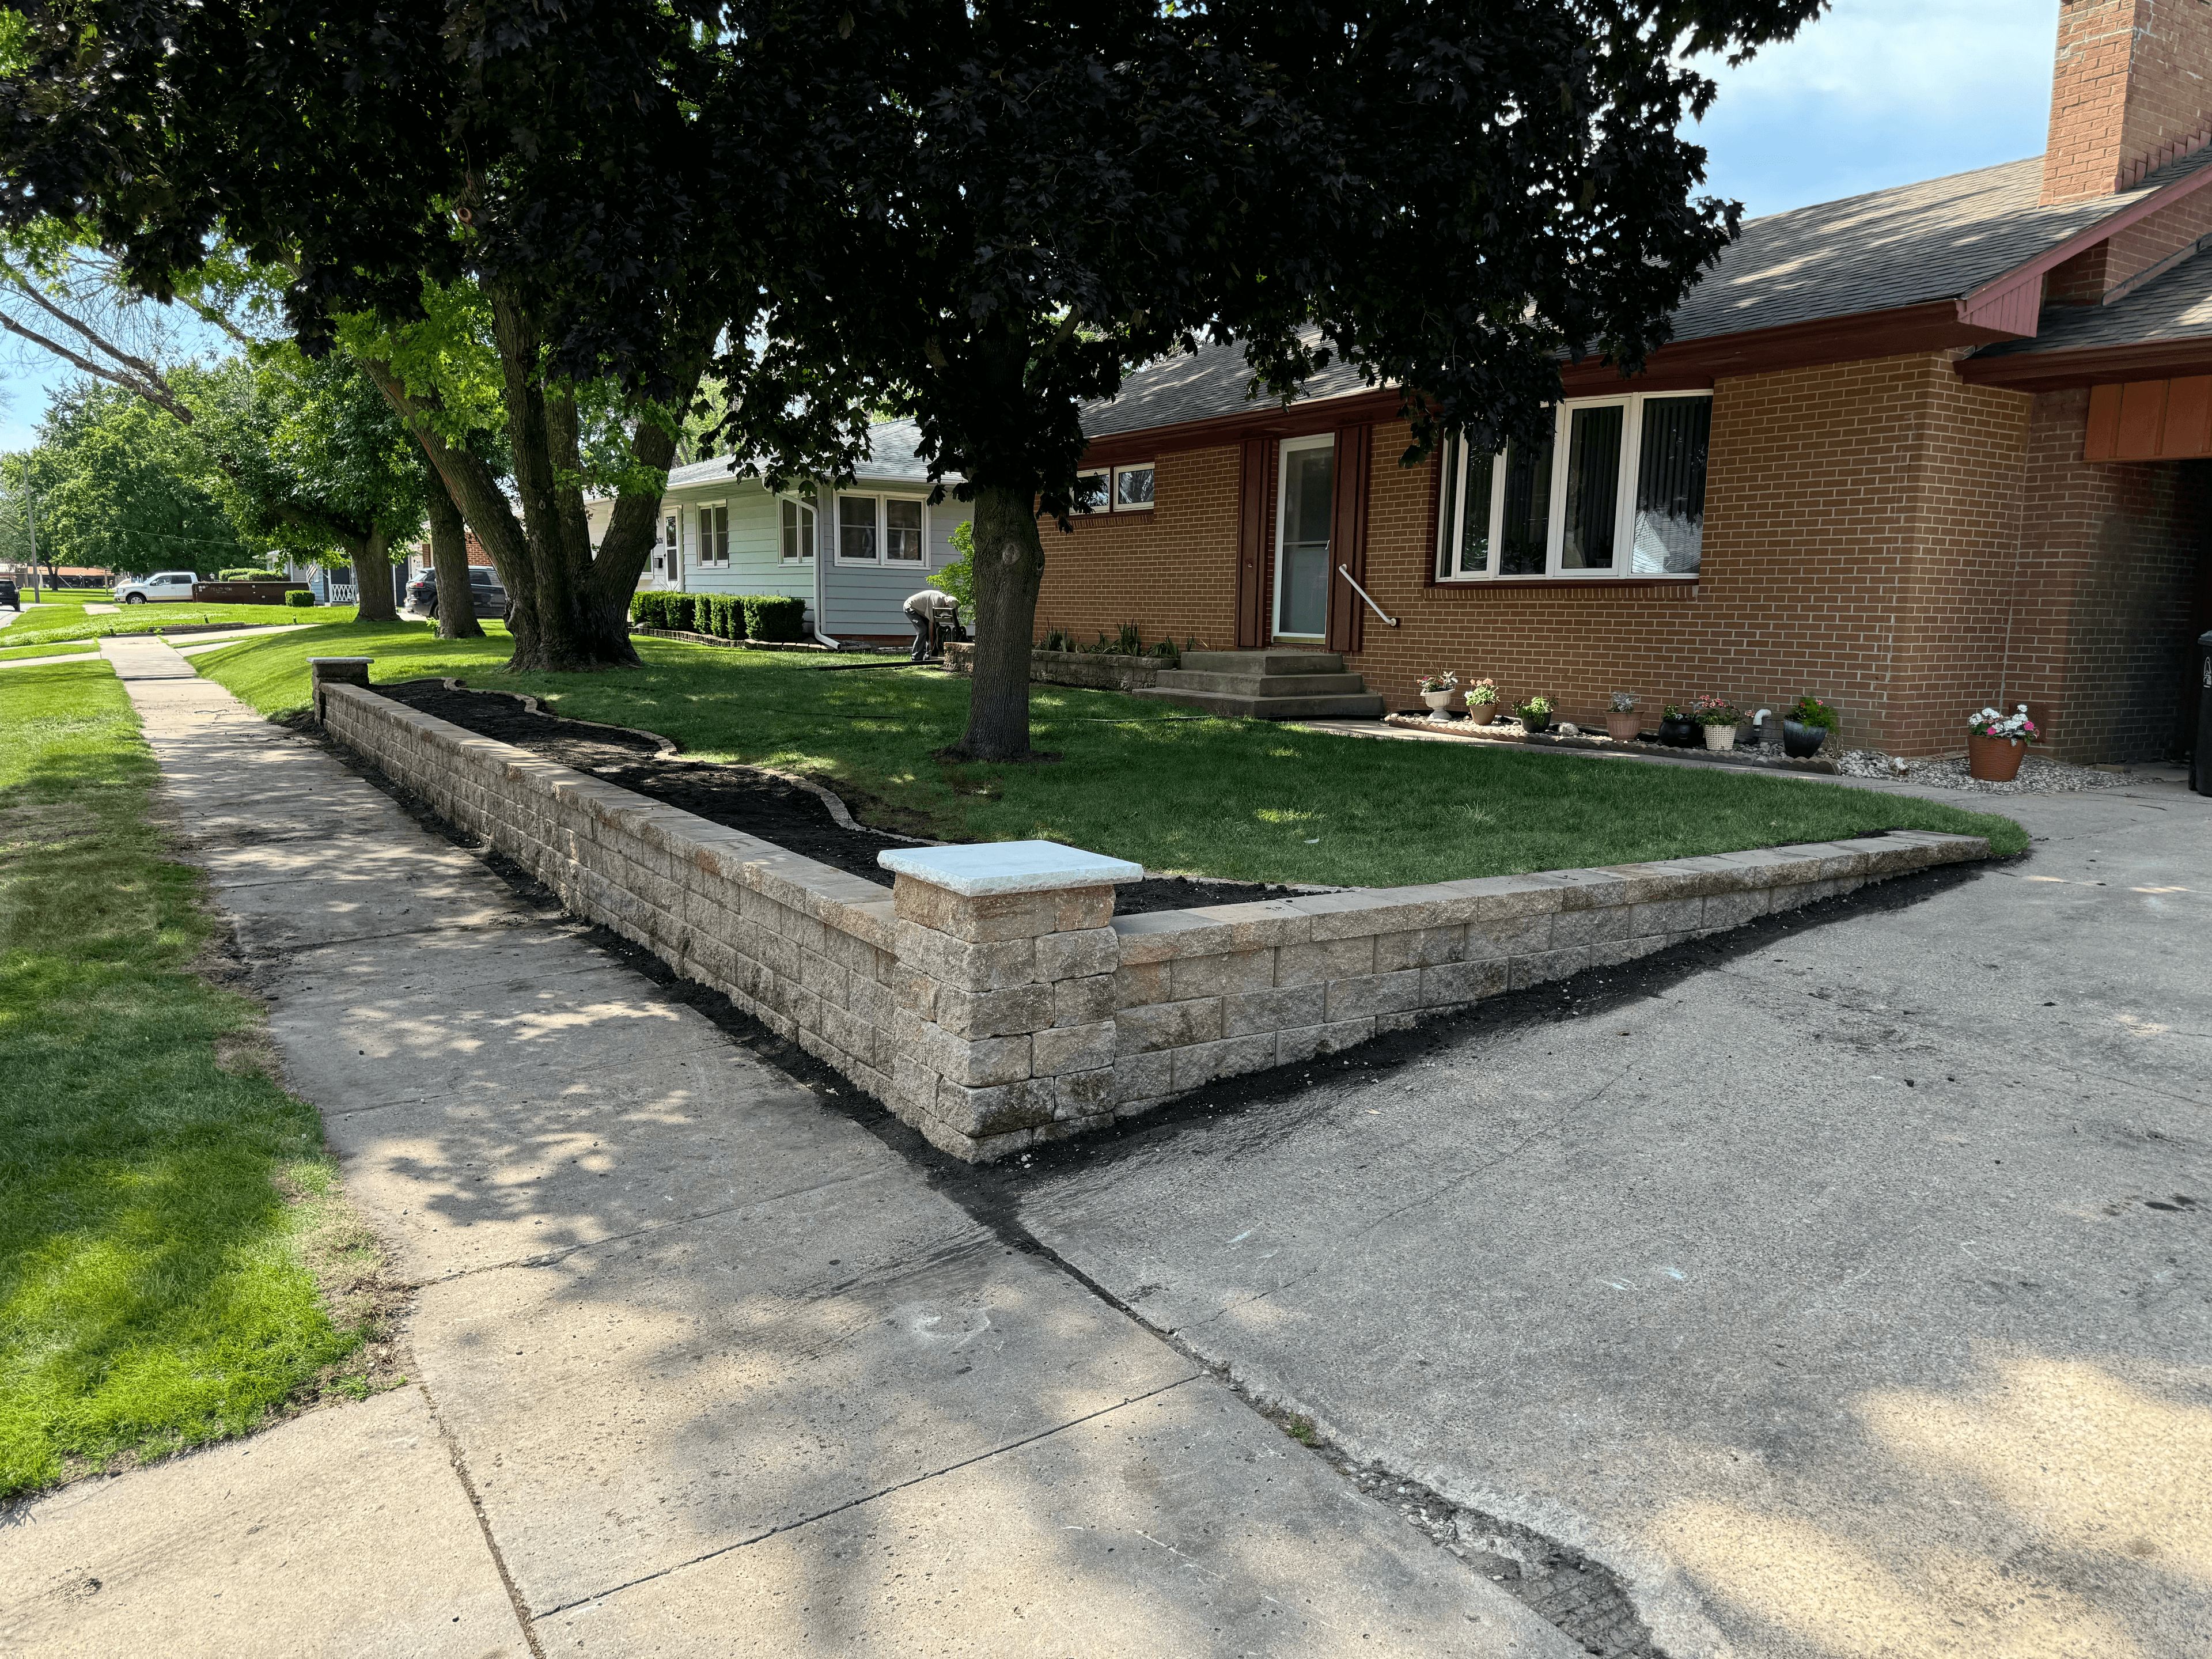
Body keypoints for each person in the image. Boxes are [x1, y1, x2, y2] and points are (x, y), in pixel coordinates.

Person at [903, 587, 959, 662]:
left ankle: (930, 655)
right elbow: (931, 623)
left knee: (937, 630)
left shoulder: (944, 600)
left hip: (922, 611)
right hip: (910, 607)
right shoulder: (936, 603)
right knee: (923, 630)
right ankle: (916, 657)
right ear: (947, 605)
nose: (949, 612)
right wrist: (932, 645)